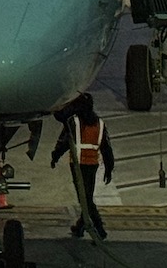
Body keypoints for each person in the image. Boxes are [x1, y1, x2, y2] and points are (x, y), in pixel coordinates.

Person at [49, 92, 114, 240]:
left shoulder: (75, 122)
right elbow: (106, 148)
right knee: (86, 196)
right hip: (92, 164)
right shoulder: (99, 123)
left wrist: (55, 156)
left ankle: (99, 227)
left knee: (85, 199)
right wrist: (109, 168)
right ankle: (80, 226)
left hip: (78, 164)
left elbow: (65, 142)